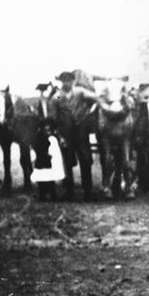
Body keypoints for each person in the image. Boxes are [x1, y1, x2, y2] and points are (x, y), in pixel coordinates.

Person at [52, 71, 99, 201]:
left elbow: (95, 98)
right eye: (64, 80)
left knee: (85, 160)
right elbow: (54, 118)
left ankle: (88, 191)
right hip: (66, 134)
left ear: (73, 81)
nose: (67, 82)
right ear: (61, 82)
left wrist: (90, 111)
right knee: (67, 162)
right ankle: (69, 192)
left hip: (81, 133)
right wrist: (59, 136)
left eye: (69, 80)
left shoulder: (80, 92)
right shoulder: (58, 96)